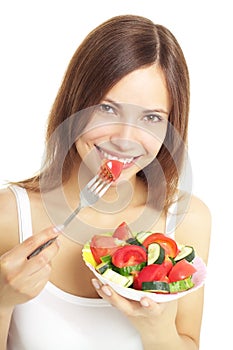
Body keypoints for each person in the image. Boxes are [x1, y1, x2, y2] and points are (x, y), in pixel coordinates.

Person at [0, 14, 211, 350]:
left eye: (151, 117)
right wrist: (1, 301)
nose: (126, 140)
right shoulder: (9, 215)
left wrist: (157, 330)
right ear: (75, 103)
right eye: (107, 109)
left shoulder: (187, 219)